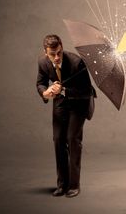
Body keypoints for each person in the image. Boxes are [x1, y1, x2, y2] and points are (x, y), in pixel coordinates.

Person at [36, 34, 94, 198]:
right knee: (58, 140)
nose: (56, 57)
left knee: (72, 139)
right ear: (45, 52)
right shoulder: (43, 62)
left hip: (79, 103)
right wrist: (45, 92)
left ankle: (74, 186)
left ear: (62, 48)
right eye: (52, 54)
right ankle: (62, 185)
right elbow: (40, 83)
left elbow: (86, 91)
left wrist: (62, 89)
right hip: (60, 103)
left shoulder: (77, 62)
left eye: (59, 53)